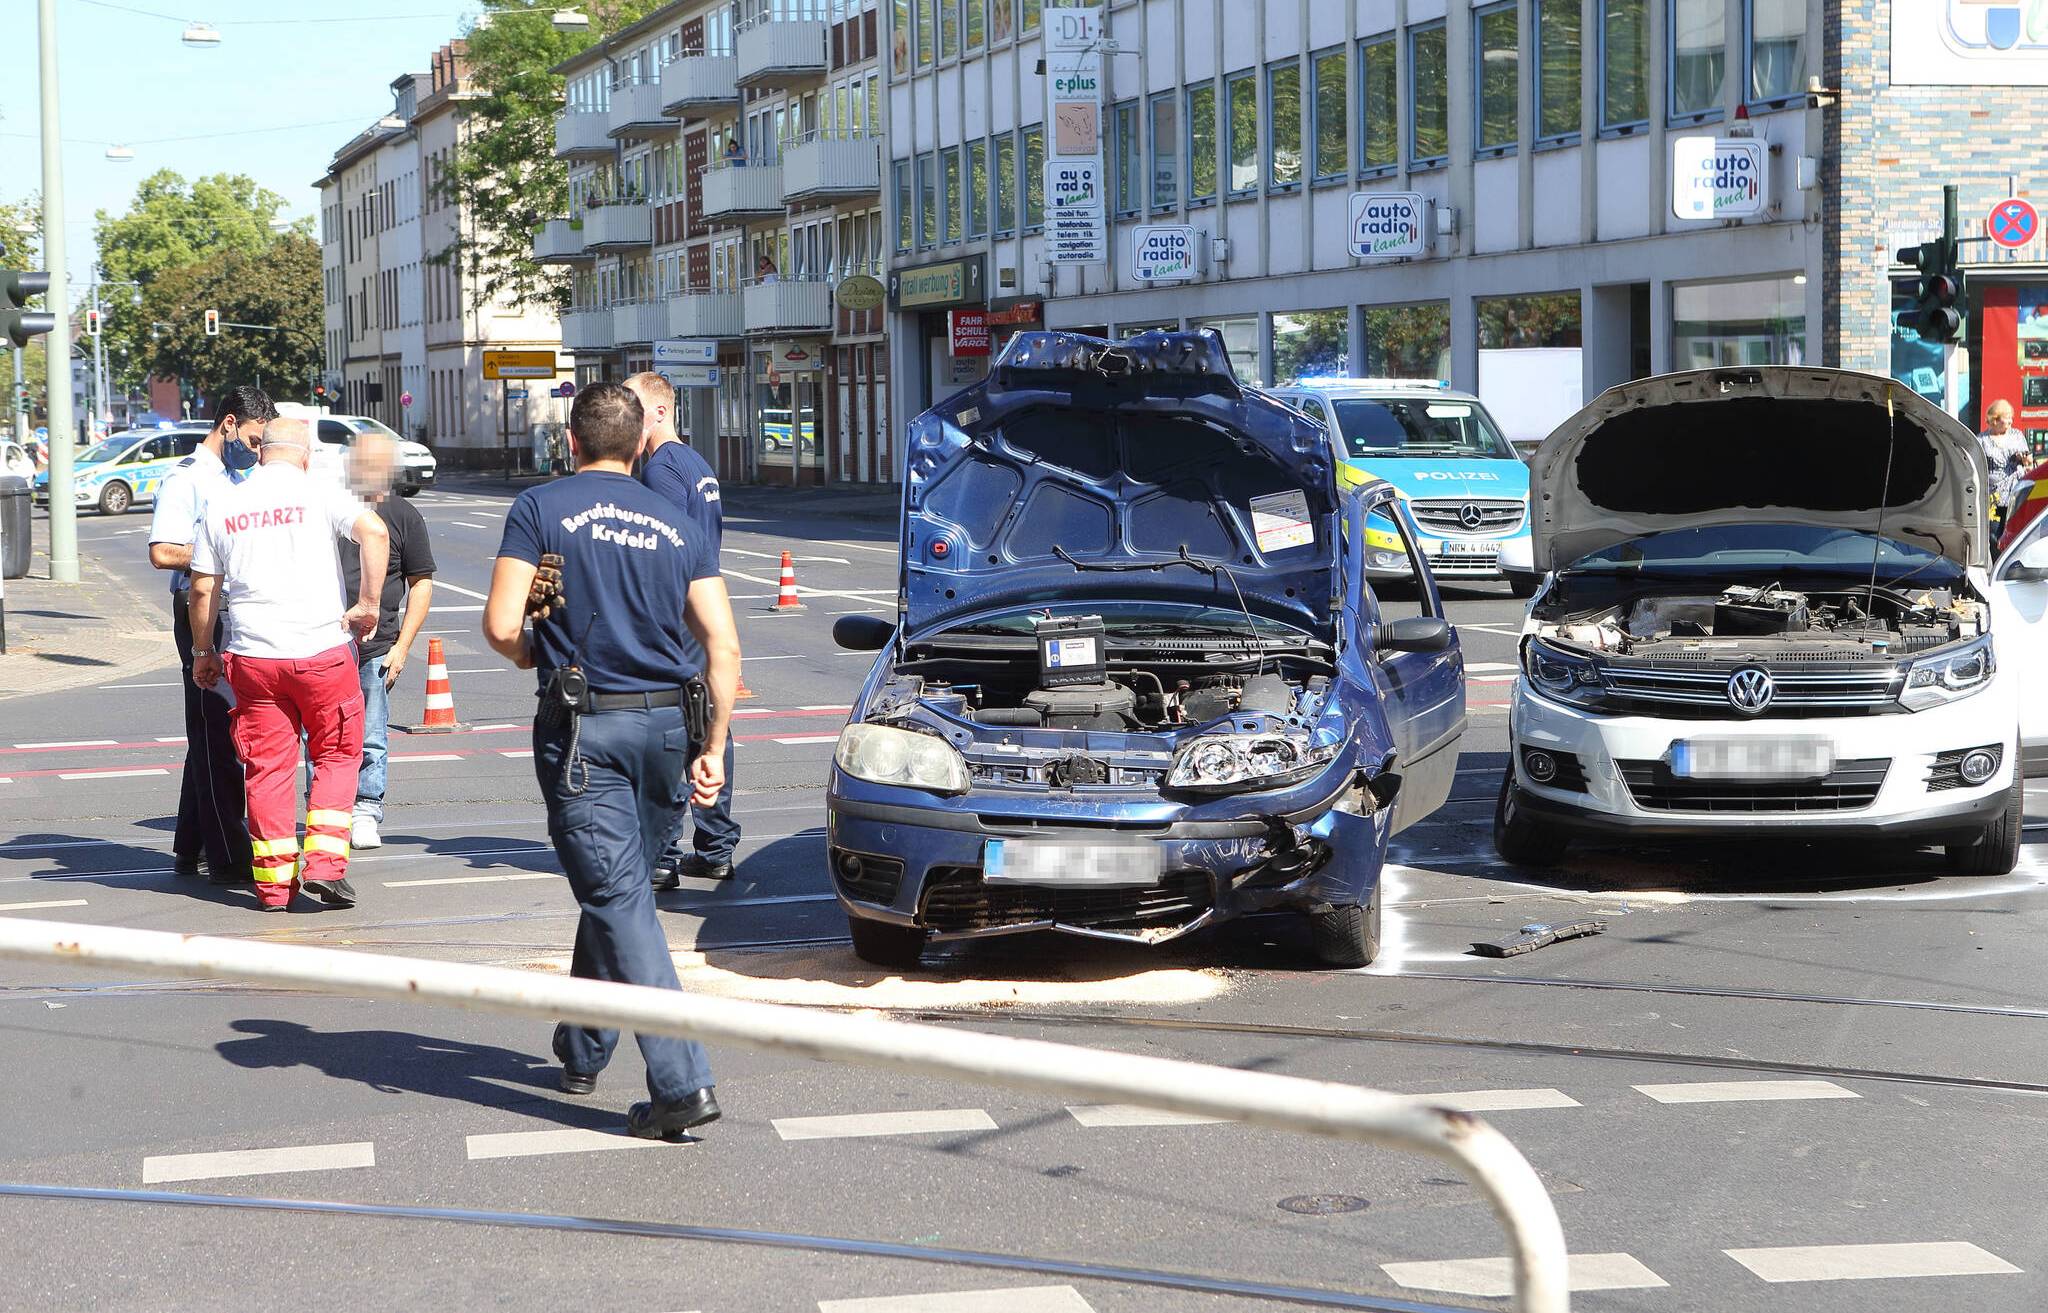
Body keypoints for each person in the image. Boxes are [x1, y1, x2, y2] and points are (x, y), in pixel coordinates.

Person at [482, 381, 739, 1140]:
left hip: (584, 732)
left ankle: (682, 1082)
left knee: (619, 895)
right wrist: (714, 747)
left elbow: (500, 625)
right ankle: (584, 1045)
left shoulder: (540, 507)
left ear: (572, 441)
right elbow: (723, 646)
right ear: (639, 445)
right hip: (668, 732)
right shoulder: (677, 521)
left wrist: (532, 648)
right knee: (618, 888)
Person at [187, 418, 389, 912]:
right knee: (337, 755)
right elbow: (375, 531)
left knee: (267, 770)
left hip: (254, 659)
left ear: (261, 453)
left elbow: (203, 587)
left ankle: (274, 888)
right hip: (322, 652)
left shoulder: (223, 502)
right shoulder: (319, 492)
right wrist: (368, 604)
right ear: (306, 456)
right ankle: (324, 866)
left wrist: (203, 651)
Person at [147, 385, 273, 886]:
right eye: (254, 439)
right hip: (202, 611)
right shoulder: (187, 479)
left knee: (210, 729)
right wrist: (218, 553)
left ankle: (190, 844)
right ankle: (228, 857)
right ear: (228, 424)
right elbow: (163, 551)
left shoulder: (237, 477)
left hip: (232, 607)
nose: (257, 450)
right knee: (218, 735)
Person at [625, 370, 736, 886]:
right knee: (709, 727)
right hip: (702, 608)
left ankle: (663, 856)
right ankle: (715, 847)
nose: (626, 416)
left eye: (634, 406)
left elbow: (661, 549)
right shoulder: (696, 462)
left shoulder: (662, 471)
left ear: (661, 411)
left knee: (670, 731)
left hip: (674, 615)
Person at [338, 432, 437, 851]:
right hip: (323, 644)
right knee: (320, 736)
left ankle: (365, 810)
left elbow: (421, 583)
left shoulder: (404, 516)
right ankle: (327, 811)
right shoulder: (328, 507)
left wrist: (402, 647)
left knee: (371, 735)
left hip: (375, 648)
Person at [1982, 398, 2029, 473]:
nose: (2011, 421)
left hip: (2018, 480)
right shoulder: (1982, 440)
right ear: (1995, 420)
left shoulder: (2017, 436)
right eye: (2007, 418)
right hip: (1991, 480)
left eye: (2011, 418)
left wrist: (2025, 459)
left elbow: (2028, 460)